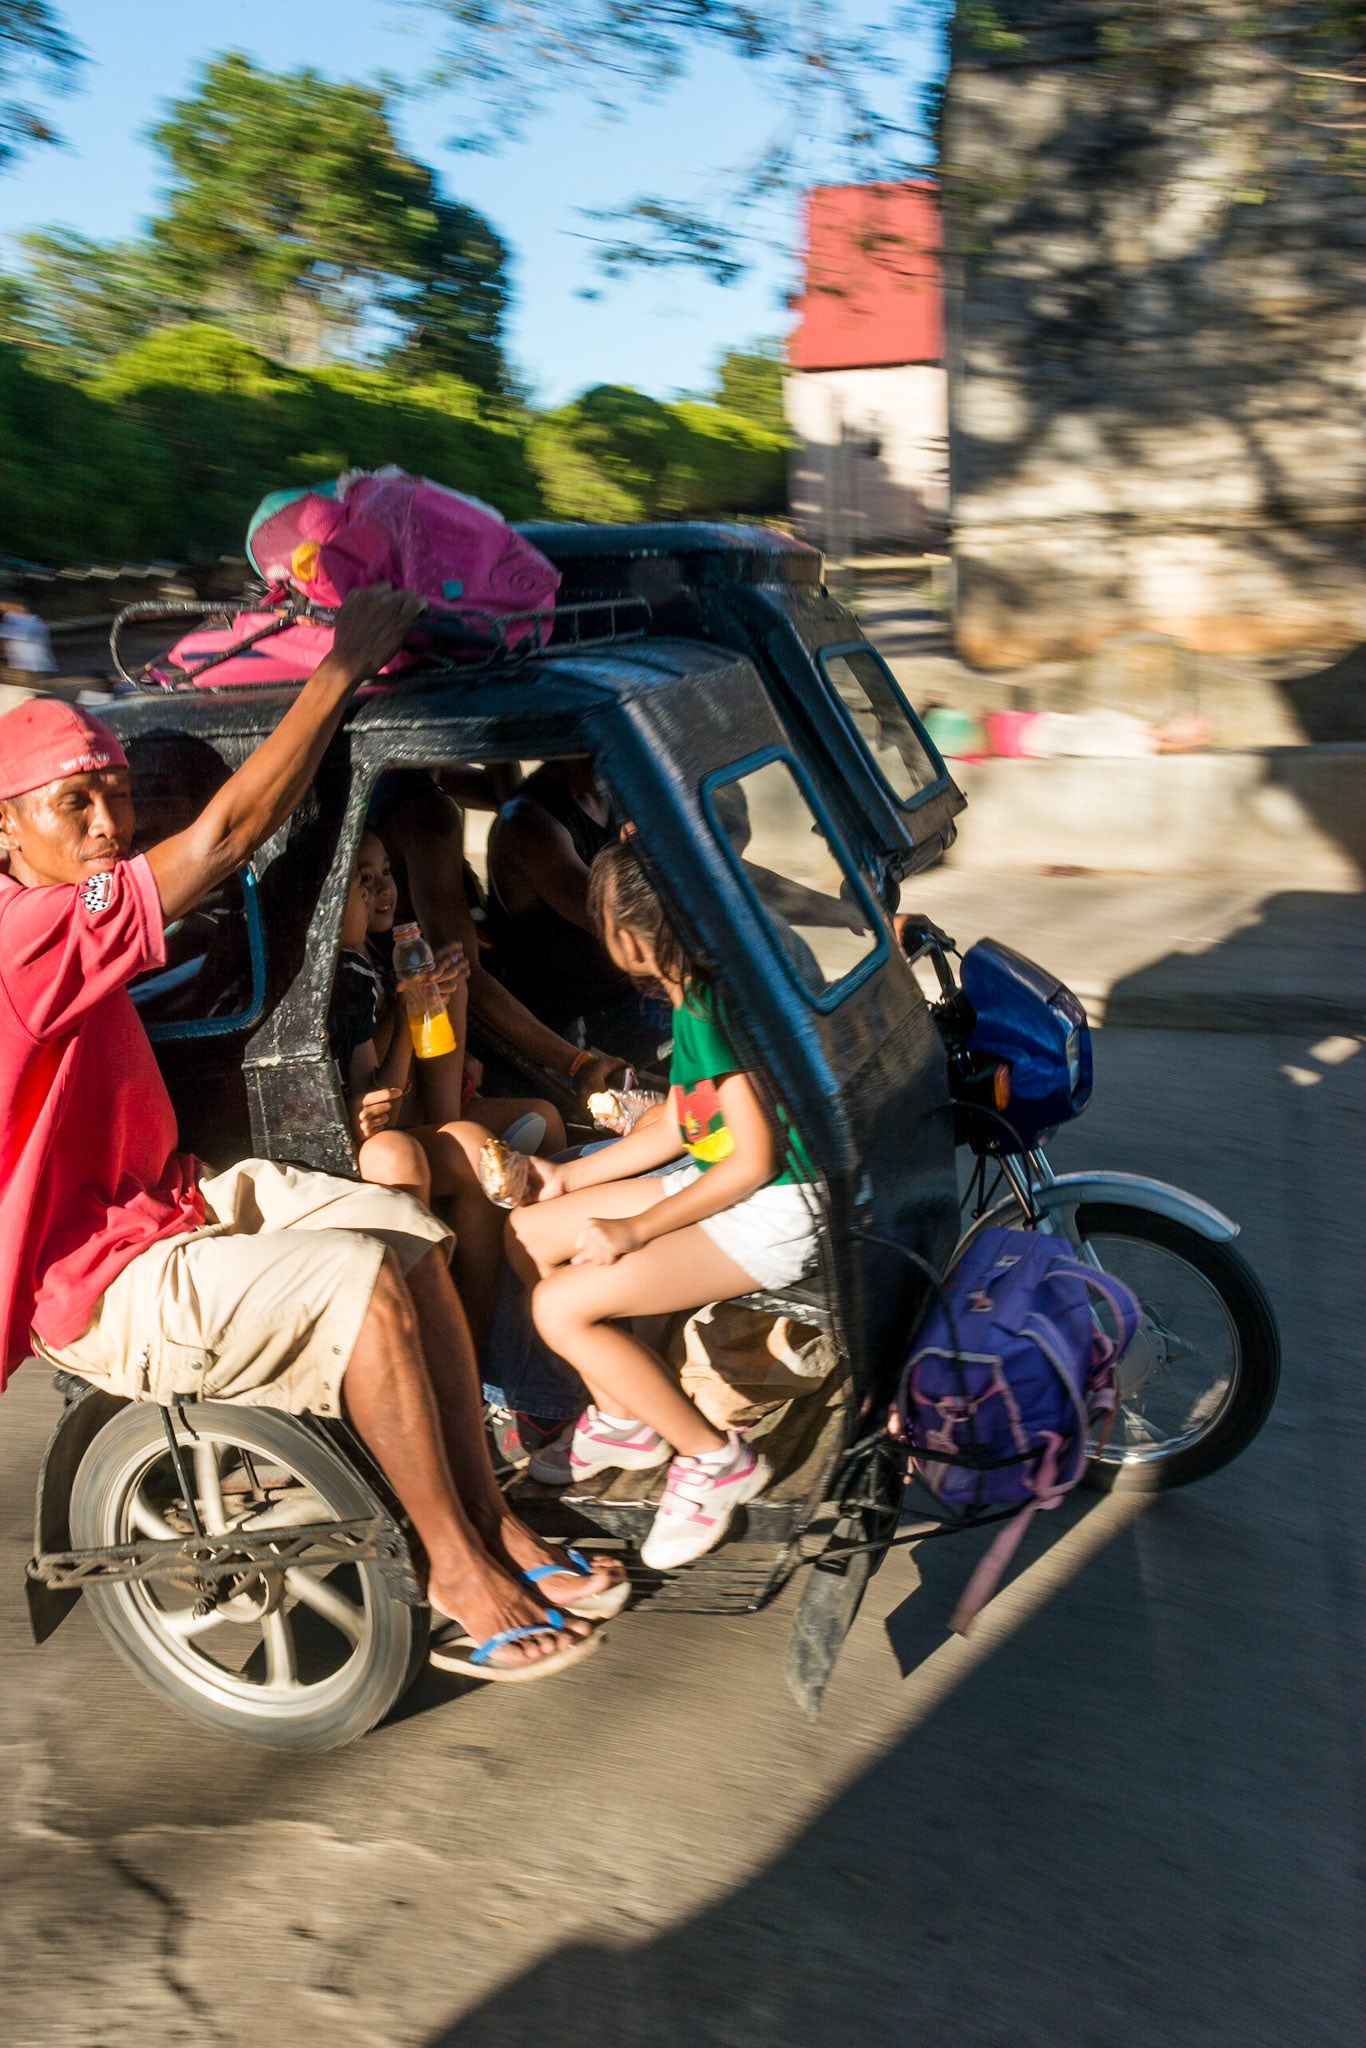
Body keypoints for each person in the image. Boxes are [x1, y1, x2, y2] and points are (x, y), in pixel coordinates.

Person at [0, 588, 626, 1680]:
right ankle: (451, 1568)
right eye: (74, 805)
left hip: (171, 1201)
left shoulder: (68, 905)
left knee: (411, 1237)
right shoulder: (28, 934)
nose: (108, 825)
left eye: (114, 795)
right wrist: (339, 671)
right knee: (357, 1283)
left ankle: (493, 1522)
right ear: (6, 829)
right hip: (91, 1277)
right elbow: (224, 837)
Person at [506, 835, 824, 1571]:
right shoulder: (696, 991)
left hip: (779, 1207)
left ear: (628, 935)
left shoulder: (713, 1007)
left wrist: (633, 1229)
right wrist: (568, 1182)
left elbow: (750, 1160)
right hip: (728, 1180)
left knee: (559, 1308)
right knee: (529, 1230)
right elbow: (690, 1121)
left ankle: (716, 1461)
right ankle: (622, 1413)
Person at [329, 827, 563, 1347]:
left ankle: (491, 1339)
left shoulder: (368, 959)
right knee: (485, 1154)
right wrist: (418, 1011)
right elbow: (378, 1097)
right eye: (361, 882)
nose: (378, 891)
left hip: (411, 1111)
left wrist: (434, 1007)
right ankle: (501, 1333)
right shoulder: (348, 974)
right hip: (381, 1134)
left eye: (385, 873)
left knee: (540, 1120)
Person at [371, 768, 635, 1104]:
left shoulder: (422, 782)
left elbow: (505, 790)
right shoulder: (427, 812)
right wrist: (577, 1064)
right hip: (465, 1034)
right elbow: (465, 973)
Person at [486, 757, 671, 1073]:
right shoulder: (529, 824)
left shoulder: (616, 795)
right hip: (575, 1024)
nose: (597, 755)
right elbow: (630, 922)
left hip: (634, 998)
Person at [0, 598, 58, 683]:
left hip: (26, 665)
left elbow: (14, 635)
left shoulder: (28, 621)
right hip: (24, 664)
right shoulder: (14, 619)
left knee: (24, 686)